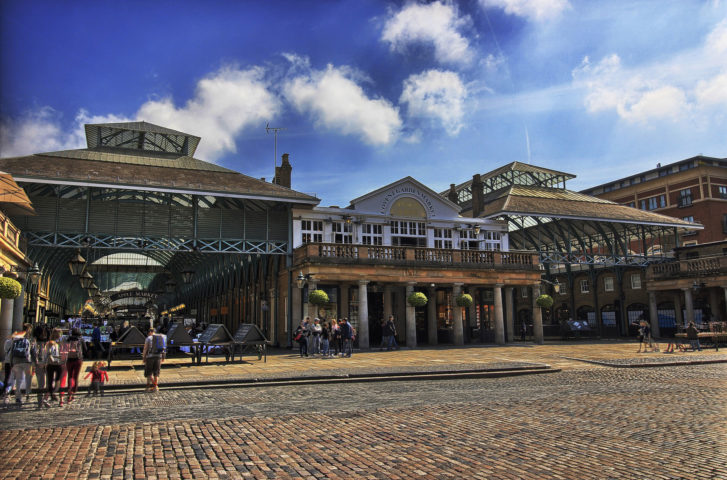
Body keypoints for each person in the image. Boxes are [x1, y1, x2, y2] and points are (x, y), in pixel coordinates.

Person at [3, 323, 33, 407]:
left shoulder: (10, 340)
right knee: (19, 380)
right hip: (19, 362)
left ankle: (6, 395)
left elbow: (5, 350)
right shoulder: (26, 341)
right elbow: (27, 353)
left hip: (9, 361)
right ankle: (18, 398)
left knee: (8, 379)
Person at [61, 328, 86, 405]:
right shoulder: (81, 339)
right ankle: (73, 392)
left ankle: (69, 392)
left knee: (70, 376)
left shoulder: (68, 339)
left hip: (69, 359)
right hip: (78, 359)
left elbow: (64, 349)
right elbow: (85, 348)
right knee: (76, 376)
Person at [142, 328, 166, 392]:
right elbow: (164, 348)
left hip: (150, 357)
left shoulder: (148, 338)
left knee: (149, 372)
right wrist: (163, 357)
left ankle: (148, 387)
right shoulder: (161, 337)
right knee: (156, 372)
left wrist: (144, 357)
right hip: (158, 357)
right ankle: (155, 387)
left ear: (150, 332)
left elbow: (145, 349)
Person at [44, 328, 64, 407]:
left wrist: (45, 362)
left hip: (50, 365)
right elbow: (52, 354)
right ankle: (52, 394)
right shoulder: (55, 343)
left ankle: (48, 397)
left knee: (50, 382)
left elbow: (46, 354)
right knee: (57, 381)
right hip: (56, 364)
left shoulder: (49, 343)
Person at [32, 326, 49, 409]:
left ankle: (44, 400)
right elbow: (34, 354)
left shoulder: (45, 342)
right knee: (42, 384)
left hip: (45, 364)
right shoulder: (37, 343)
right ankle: (41, 402)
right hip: (41, 364)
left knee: (45, 383)